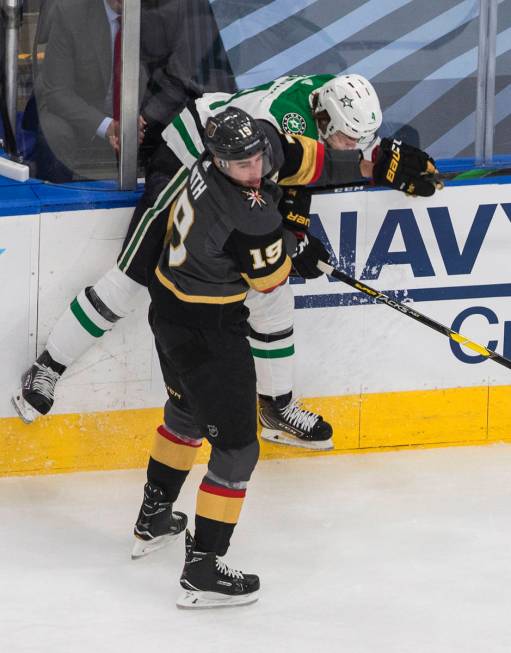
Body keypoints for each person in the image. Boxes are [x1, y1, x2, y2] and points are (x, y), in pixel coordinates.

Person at [12, 74, 439, 452]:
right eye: (349, 140)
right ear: (324, 121)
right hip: (188, 162)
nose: (354, 147)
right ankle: (47, 367)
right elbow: (273, 185)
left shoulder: (326, 99)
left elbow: (307, 167)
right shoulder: (276, 127)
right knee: (131, 279)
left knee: (272, 295)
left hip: (236, 171)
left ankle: (277, 407)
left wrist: (386, 161)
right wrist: (292, 242)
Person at [134, 105, 437, 608]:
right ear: (216, 160)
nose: (254, 169)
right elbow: (269, 281)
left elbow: (305, 158)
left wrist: (371, 165)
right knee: (236, 451)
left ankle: (154, 519)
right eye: (242, 165)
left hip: (167, 308)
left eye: (256, 156)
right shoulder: (242, 215)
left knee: (186, 411)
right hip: (205, 329)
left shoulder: (250, 151)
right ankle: (203, 570)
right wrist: (296, 252)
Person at [33, 0, 235, 180]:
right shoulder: (70, 12)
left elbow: (178, 79)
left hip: (145, 118)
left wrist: (142, 119)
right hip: (88, 118)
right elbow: (57, 92)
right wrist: (107, 126)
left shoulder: (164, 11)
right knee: (54, 130)